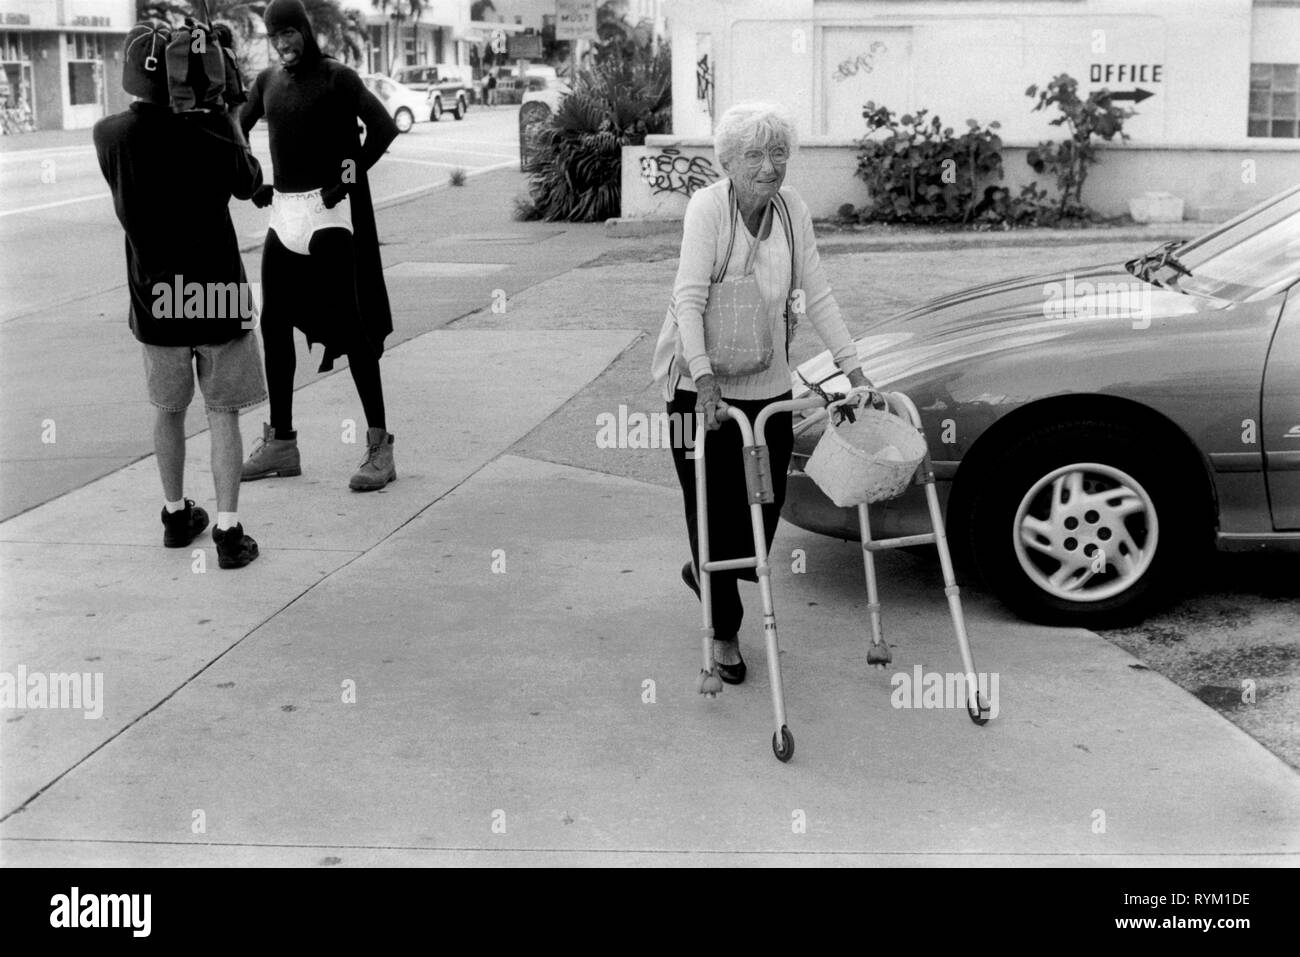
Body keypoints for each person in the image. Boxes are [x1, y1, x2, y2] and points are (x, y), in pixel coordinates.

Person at [651, 102, 873, 684]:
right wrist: (702, 380)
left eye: (778, 153)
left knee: (761, 510)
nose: (769, 166)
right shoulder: (707, 208)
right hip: (698, 389)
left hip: (769, 386)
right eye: (754, 154)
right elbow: (688, 299)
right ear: (727, 161)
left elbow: (817, 294)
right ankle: (724, 629)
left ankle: (708, 575)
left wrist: (855, 370)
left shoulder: (792, 209)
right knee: (712, 511)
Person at [93, 18, 265, 569]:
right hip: (216, 293)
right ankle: (229, 532)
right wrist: (227, 108)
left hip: (155, 297)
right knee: (223, 414)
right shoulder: (213, 130)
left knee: (168, 410)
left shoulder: (108, 136)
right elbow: (249, 180)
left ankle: (173, 515)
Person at [239, 0, 400, 491]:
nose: (283, 43)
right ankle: (282, 444)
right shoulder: (266, 83)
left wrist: (345, 180)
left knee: (352, 329)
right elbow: (236, 127)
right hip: (284, 214)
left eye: (289, 32)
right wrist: (252, 183)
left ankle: (380, 447)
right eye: (275, 35)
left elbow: (383, 128)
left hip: (330, 215)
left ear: (305, 31)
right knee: (274, 322)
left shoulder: (337, 78)